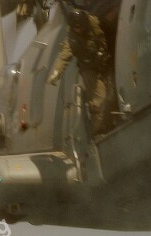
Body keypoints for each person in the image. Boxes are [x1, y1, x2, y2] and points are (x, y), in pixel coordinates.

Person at [48, 2, 115, 136]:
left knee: (112, 94)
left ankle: (111, 123)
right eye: (76, 28)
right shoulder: (72, 38)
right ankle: (97, 131)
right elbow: (64, 55)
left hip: (103, 62)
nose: (78, 30)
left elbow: (108, 32)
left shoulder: (94, 22)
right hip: (88, 68)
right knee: (99, 99)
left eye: (80, 27)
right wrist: (57, 72)